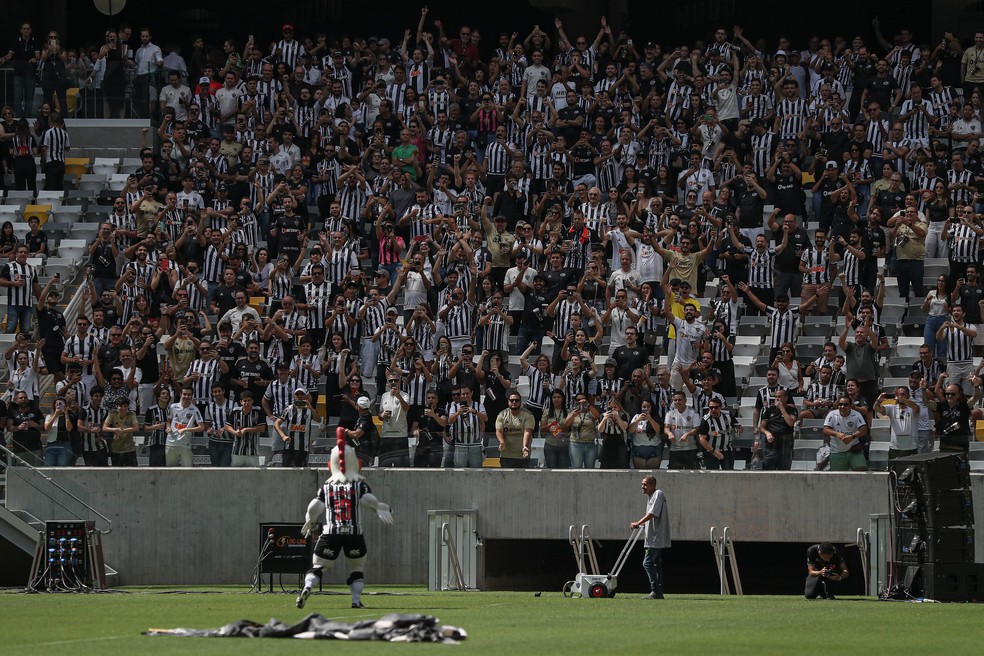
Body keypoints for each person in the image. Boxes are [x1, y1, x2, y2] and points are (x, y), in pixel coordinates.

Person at [297, 428, 394, 610]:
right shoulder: (358, 486)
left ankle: (308, 587)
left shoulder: (326, 488)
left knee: (318, 566)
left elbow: (315, 506)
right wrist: (380, 507)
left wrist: (309, 519)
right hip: (353, 532)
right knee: (356, 568)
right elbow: (369, 501)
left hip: (330, 532)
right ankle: (356, 601)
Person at [631, 475, 670, 600]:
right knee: (656, 564)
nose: (642, 487)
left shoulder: (658, 494)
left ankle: (655, 591)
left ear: (653, 486)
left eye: (645, 484)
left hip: (655, 538)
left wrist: (638, 522)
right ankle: (658, 592)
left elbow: (652, 513)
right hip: (652, 536)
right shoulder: (650, 497)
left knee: (647, 563)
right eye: (642, 484)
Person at [823, 395, 869, 471]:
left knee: (861, 471)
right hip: (836, 451)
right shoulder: (832, 414)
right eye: (840, 404)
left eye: (845, 404)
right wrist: (837, 434)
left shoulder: (857, 414)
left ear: (851, 406)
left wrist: (852, 437)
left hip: (853, 450)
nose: (842, 407)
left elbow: (864, 429)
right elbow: (825, 429)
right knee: (837, 478)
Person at [874, 388, 920, 459]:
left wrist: (902, 399)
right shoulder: (891, 408)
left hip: (911, 448)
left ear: (909, 396)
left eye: (903, 394)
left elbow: (916, 408)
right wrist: (878, 401)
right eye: (899, 394)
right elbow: (876, 408)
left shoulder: (912, 408)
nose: (900, 396)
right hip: (895, 448)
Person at [165, 385, 204, 467]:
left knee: (187, 471)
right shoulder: (173, 407)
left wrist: (186, 429)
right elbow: (168, 421)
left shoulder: (195, 409)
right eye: (184, 394)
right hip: (171, 442)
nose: (186, 396)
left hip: (185, 443)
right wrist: (168, 427)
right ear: (181, 394)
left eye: (189, 394)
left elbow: (201, 427)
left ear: (192, 396)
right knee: (170, 470)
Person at [495, 391, 535, 468]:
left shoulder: (528, 415)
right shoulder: (502, 415)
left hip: (523, 454)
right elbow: (499, 431)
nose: (514, 402)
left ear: (520, 402)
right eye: (511, 400)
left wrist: (525, 446)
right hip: (506, 455)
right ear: (508, 402)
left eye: (517, 400)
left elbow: (527, 432)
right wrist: (502, 442)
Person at [103, 397, 138, 467]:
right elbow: (104, 428)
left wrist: (121, 431)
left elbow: (136, 428)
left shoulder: (131, 414)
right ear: (117, 406)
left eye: (125, 406)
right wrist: (115, 430)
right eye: (120, 406)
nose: (123, 409)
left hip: (129, 449)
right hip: (116, 449)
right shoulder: (112, 414)